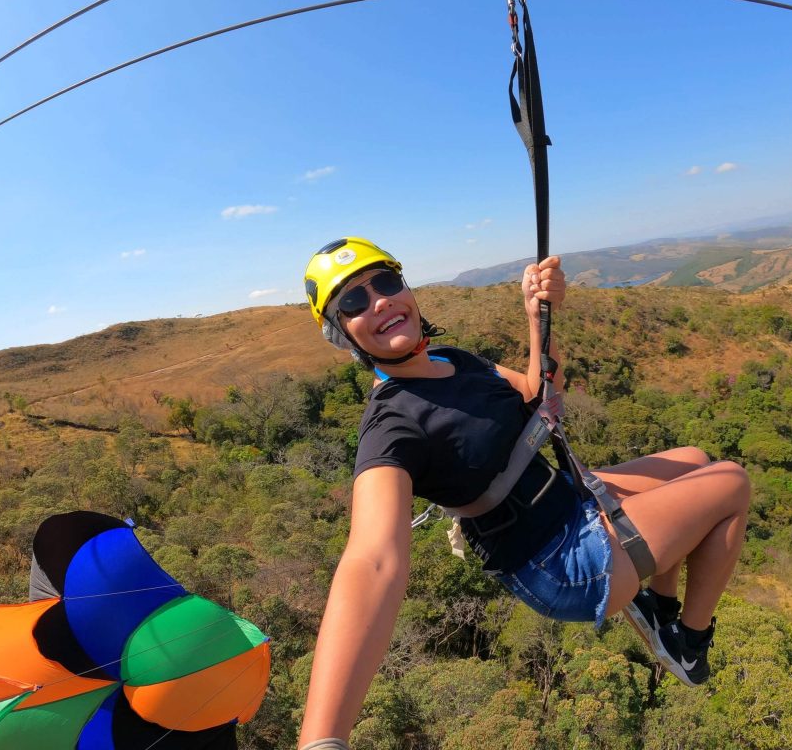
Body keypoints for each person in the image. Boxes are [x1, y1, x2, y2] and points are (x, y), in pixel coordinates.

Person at [297, 238, 751, 750]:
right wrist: (323, 737)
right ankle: (689, 645)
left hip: (568, 506)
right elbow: (373, 561)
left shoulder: (452, 360)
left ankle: (661, 609)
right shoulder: (391, 426)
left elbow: (543, 397)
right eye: (353, 303)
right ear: (342, 334)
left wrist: (538, 319)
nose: (379, 300)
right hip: (561, 561)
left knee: (692, 460)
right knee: (731, 482)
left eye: (386, 283)